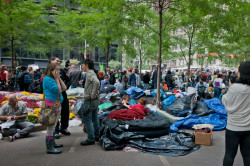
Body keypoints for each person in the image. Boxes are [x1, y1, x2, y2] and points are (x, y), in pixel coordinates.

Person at [222, 61, 250, 166]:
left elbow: (226, 104)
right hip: (248, 128)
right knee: (248, 156)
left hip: (233, 127)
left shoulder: (235, 87)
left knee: (229, 155)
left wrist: (227, 91)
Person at [43, 63, 67, 154]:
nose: (59, 71)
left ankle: (52, 143)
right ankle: (49, 147)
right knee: (51, 126)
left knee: (54, 125)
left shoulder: (53, 79)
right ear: (51, 70)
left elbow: (64, 87)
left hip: (57, 105)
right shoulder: (47, 79)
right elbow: (59, 90)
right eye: (57, 69)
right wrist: (57, 79)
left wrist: (58, 78)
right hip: (51, 105)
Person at [49, 57, 71, 138]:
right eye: (57, 60)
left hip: (63, 94)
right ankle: (56, 130)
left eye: (59, 60)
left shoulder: (61, 71)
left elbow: (68, 80)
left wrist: (64, 87)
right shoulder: (48, 72)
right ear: (51, 61)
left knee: (65, 111)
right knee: (55, 113)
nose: (59, 61)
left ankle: (64, 128)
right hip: (53, 96)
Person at [80, 59, 100, 146]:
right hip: (94, 100)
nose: (82, 66)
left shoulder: (89, 73)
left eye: (82, 65)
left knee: (87, 118)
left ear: (86, 65)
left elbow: (97, 82)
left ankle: (91, 138)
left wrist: (92, 95)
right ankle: (96, 135)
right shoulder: (92, 72)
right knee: (95, 117)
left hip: (90, 100)